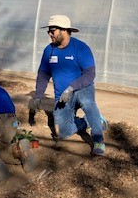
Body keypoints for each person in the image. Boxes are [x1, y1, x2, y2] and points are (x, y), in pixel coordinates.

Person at [30, 15, 107, 156]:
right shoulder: (49, 50)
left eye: (52, 31)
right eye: (49, 31)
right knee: (63, 133)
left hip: (81, 88)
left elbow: (90, 74)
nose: (50, 34)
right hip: (61, 95)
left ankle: (98, 140)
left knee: (87, 103)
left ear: (64, 30)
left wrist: (71, 88)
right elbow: (43, 74)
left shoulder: (81, 48)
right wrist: (38, 96)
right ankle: (88, 121)